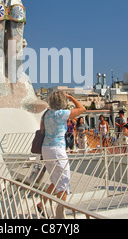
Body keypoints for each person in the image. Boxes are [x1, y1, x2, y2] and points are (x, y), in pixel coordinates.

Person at [37, 90, 85, 218]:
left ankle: (42, 203)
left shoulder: (46, 114)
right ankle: (60, 213)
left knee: (55, 180)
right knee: (64, 181)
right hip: (57, 149)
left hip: (45, 149)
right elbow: (82, 108)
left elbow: (42, 128)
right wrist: (71, 97)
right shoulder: (61, 114)